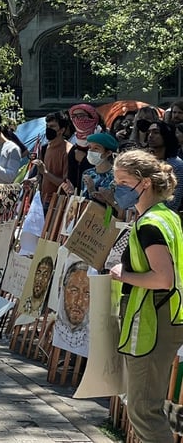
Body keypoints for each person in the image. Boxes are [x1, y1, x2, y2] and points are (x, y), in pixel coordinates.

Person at [109, 149, 183, 443]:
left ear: (146, 183)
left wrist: (122, 274)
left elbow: (163, 278)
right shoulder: (167, 216)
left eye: (124, 182)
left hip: (153, 321)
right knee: (146, 406)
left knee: (143, 409)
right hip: (166, 316)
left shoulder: (150, 224)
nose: (118, 189)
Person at [32, 112, 71, 213]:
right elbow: (39, 176)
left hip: (58, 204)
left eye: (52, 126)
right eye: (47, 126)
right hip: (41, 201)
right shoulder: (44, 148)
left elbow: (66, 185)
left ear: (62, 130)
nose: (48, 129)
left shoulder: (68, 151)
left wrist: (45, 172)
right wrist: (32, 181)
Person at [145, 120, 183, 211]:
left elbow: (174, 201)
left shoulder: (177, 165)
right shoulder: (146, 162)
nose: (150, 136)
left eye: (156, 132)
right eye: (149, 132)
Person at [67, 104, 103, 195]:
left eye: (81, 116)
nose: (78, 119)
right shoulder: (75, 146)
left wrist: (84, 160)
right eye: (74, 117)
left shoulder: (103, 140)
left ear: (92, 117)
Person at [54, 261, 90, 349]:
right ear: (63, 290)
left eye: (87, 294)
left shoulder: (89, 339)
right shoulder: (57, 329)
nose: (79, 302)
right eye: (74, 291)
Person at [81, 133, 118, 210]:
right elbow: (83, 200)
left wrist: (92, 190)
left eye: (96, 149)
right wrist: (71, 193)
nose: (91, 151)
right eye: (90, 147)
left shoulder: (116, 177)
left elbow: (115, 207)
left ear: (108, 153)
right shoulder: (87, 173)